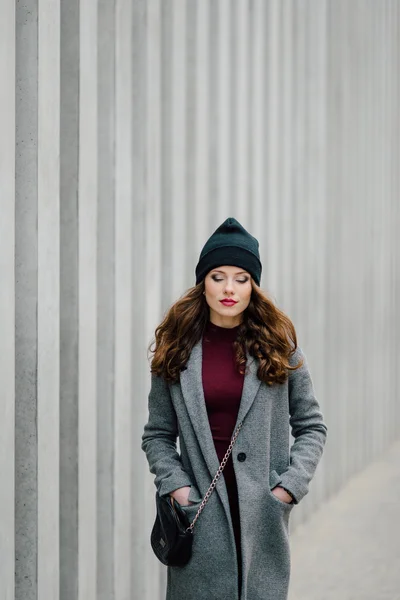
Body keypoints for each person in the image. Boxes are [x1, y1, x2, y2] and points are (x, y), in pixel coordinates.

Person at [141, 217, 328, 600]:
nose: (229, 288)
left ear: (253, 286)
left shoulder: (280, 347)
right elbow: (157, 435)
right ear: (203, 282)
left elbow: (311, 426)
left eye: (241, 278)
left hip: (262, 516)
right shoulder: (176, 349)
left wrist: (287, 489)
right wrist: (177, 488)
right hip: (201, 516)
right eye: (218, 276)